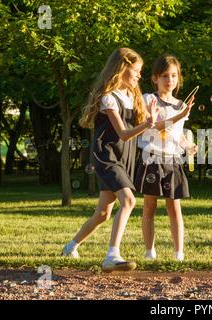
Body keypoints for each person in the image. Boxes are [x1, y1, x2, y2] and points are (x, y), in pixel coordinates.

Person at [62, 47, 159, 272]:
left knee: (103, 214)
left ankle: (70, 247)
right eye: (136, 70)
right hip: (107, 156)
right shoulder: (109, 98)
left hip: (124, 158)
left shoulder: (131, 96)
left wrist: (168, 118)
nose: (139, 75)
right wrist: (147, 124)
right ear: (122, 68)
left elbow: (144, 129)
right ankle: (111, 256)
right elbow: (124, 133)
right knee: (129, 201)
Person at [135, 54, 197, 262]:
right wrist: (180, 115)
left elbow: (177, 134)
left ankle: (179, 253)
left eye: (173, 76)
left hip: (172, 159)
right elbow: (153, 128)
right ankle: (150, 251)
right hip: (151, 157)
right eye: (164, 76)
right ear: (154, 78)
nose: (169, 80)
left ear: (178, 79)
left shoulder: (181, 105)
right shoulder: (147, 100)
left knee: (174, 206)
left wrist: (188, 146)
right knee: (149, 206)